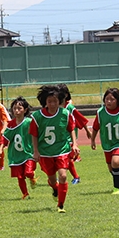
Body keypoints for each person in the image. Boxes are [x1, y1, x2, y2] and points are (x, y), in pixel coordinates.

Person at [29, 85, 78, 213]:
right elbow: (34, 134)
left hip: (62, 150)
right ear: (45, 101)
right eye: (49, 101)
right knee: (52, 179)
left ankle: (61, 205)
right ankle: (56, 189)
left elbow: (71, 128)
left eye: (55, 101)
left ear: (60, 101)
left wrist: (75, 144)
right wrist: (36, 150)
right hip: (45, 152)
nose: (52, 104)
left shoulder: (65, 114)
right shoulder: (37, 117)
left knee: (62, 176)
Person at [90, 88, 119, 194]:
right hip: (107, 144)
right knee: (111, 168)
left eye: (112, 99)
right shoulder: (101, 112)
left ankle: (116, 188)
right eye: (106, 99)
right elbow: (95, 127)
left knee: (115, 162)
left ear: (118, 100)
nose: (109, 102)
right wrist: (92, 140)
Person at [2, 96, 37, 199]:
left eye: (19, 108)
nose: (16, 111)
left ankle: (32, 178)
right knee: (20, 177)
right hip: (16, 155)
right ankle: (25, 194)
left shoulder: (29, 122)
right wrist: (0, 149)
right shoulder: (11, 124)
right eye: (14, 108)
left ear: (25, 110)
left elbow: (36, 134)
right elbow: (5, 138)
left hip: (28, 153)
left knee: (28, 172)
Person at [58, 83, 92, 184]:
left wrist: (87, 131)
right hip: (60, 138)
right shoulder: (56, 107)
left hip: (69, 138)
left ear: (66, 95)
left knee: (67, 159)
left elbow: (80, 119)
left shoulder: (69, 107)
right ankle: (64, 175)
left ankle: (76, 177)